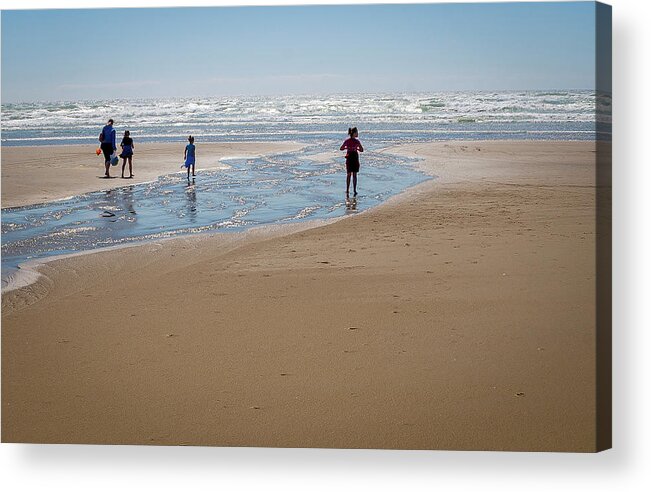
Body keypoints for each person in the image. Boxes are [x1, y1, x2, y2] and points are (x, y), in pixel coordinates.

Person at [340, 127, 364, 196]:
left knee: (349, 174)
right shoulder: (357, 141)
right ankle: (354, 190)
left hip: (349, 156)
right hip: (354, 157)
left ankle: (348, 189)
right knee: (354, 175)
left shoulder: (347, 141)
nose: (357, 134)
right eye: (356, 132)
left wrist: (347, 147)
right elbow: (362, 149)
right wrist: (357, 148)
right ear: (353, 133)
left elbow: (341, 148)